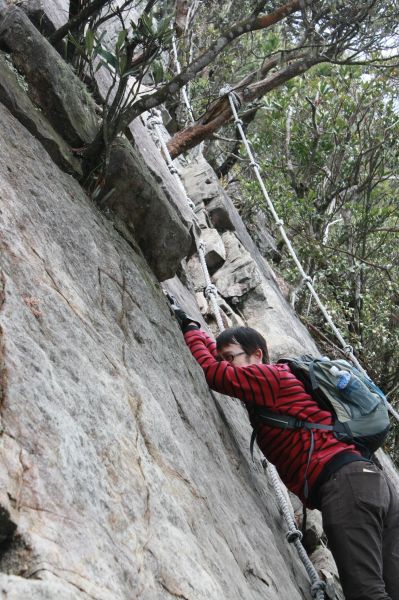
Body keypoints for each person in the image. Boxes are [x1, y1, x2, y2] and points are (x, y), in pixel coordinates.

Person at [169, 298, 399, 600]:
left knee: (367, 593)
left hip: (346, 484)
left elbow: (215, 375)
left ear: (257, 355)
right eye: (222, 357)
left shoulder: (272, 376)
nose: (226, 364)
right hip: (374, 483)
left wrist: (191, 328)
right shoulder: (280, 385)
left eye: (230, 356)